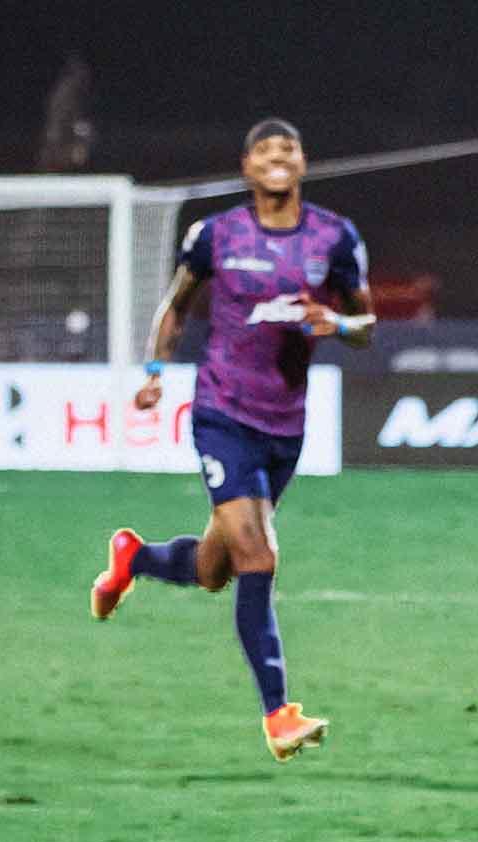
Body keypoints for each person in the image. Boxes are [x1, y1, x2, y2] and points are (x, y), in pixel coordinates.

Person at [89, 118, 373, 762]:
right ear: (247, 167)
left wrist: (338, 323)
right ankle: (279, 714)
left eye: (288, 148)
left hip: (285, 425)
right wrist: (155, 372)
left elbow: (368, 325)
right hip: (222, 413)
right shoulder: (215, 234)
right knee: (259, 557)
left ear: (303, 162)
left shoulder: (335, 237)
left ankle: (133, 559)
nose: (277, 157)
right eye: (264, 150)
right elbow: (177, 304)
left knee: (214, 570)